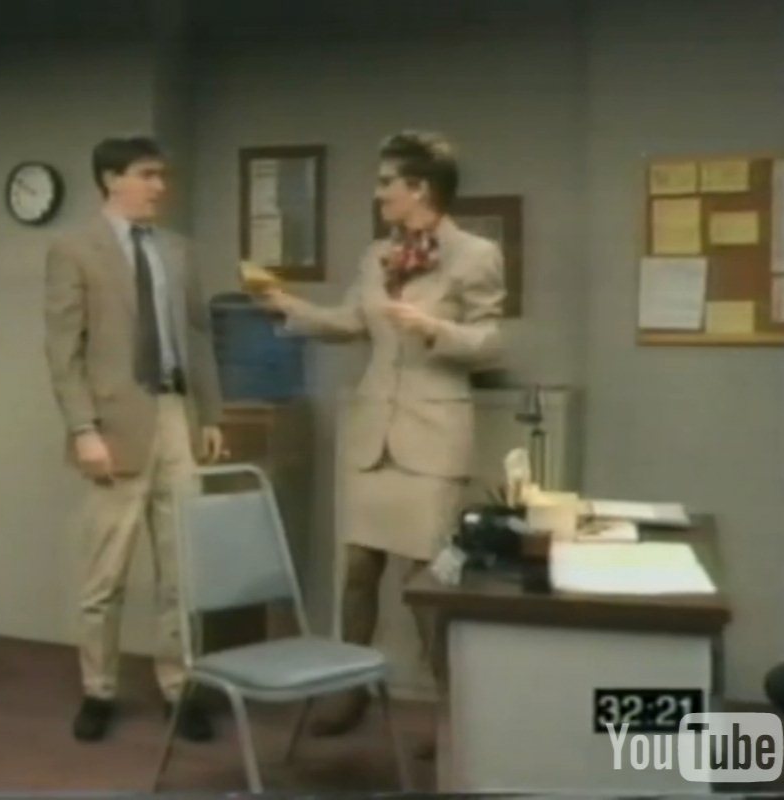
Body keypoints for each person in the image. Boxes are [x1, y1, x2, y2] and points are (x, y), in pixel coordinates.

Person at [256, 131, 505, 741]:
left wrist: (433, 327)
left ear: (421, 188)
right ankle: (350, 693)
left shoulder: (475, 254)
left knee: (427, 580)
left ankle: (454, 718)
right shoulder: (377, 256)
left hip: (432, 436)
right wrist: (288, 306)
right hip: (373, 436)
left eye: (388, 182)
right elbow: (350, 321)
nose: (379, 193)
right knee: (358, 570)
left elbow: (490, 340)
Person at [44, 135, 226, 743]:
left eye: (161, 175)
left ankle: (180, 687)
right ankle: (98, 689)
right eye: (147, 175)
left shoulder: (177, 250)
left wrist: (210, 415)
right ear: (110, 179)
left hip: (177, 415)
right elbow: (63, 353)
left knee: (183, 571)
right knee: (105, 576)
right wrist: (83, 430)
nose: (159, 187)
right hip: (114, 427)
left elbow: (197, 336)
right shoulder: (74, 250)